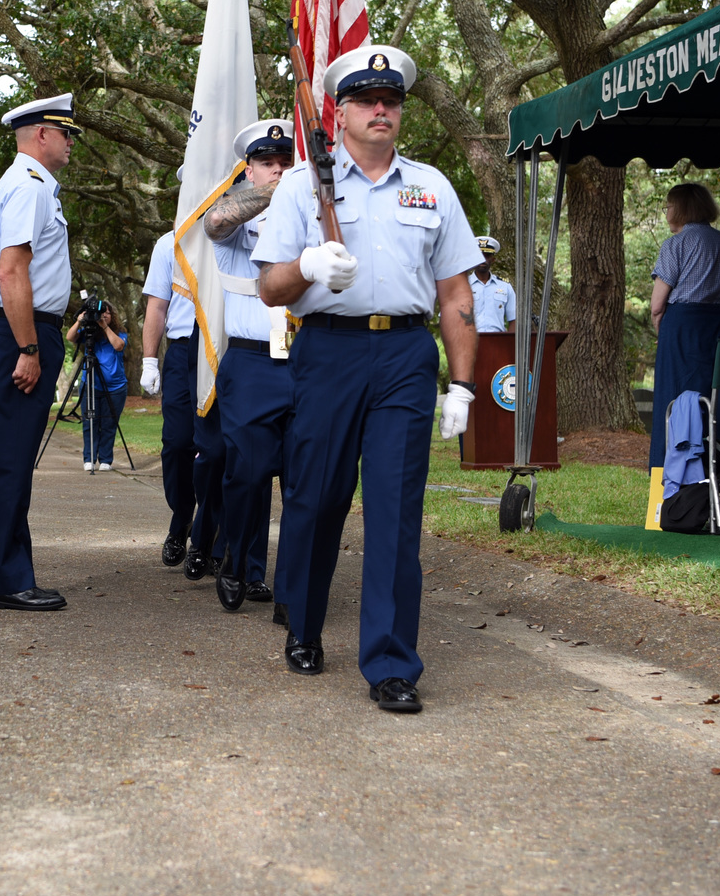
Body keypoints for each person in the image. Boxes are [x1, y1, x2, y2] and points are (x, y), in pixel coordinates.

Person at [255, 45, 481, 715]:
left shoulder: (432, 186)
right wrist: (309, 264)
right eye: (366, 99)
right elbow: (270, 285)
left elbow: (455, 291)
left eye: (391, 99)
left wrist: (462, 383)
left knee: (394, 509)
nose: (381, 109)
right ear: (341, 110)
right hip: (328, 352)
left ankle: (390, 663)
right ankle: (304, 621)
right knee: (318, 498)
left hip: (406, 355)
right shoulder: (301, 185)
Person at [0, 92, 80, 611]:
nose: (71, 144)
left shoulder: (31, 186)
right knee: (12, 462)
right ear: (42, 135)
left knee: (13, 460)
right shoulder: (30, 187)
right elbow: (11, 270)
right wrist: (29, 347)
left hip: (23, 332)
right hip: (20, 334)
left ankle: (11, 571)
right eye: (66, 134)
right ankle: (5, 579)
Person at [205, 119, 297, 617]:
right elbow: (214, 223)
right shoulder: (241, 215)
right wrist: (276, 193)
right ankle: (236, 561)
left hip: (308, 359)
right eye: (268, 163)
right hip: (253, 362)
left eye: (287, 163)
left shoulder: (313, 213)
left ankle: (292, 587)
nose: (279, 170)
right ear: (249, 168)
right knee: (249, 473)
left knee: (306, 478)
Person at [647, 182, 720, 469]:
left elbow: (657, 303)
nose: (665, 212)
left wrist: (662, 328)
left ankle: (673, 470)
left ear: (681, 209)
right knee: (718, 399)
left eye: (668, 206)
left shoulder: (676, 244)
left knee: (674, 399)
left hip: (683, 328)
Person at [139, 228, 198, 563]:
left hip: (227, 347)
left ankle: (210, 533)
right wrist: (150, 359)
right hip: (182, 349)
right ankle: (182, 517)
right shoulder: (169, 243)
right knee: (177, 443)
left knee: (219, 448)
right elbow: (157, 306)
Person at [65, 300, 127, 470]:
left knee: (109, 423)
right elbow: (70, 337)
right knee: (90, 421)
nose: (103, 315)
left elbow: (119, 346)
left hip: (115, 388)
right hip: (91, 385)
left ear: (111, 315)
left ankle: (106, 460)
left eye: (107, 312)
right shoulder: (88, 332)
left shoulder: (119, 333)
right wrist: (79, 321)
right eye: (101, 313)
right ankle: (89, 459)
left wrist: (105, 327)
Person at [469, 237, 516, 332]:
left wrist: (509, 345)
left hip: (497, 342)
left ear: (493, 259)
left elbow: (514, 320)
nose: (483, 260)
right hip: (469, 341)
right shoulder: (462, 286)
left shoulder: (505, 287)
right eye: (479, 255)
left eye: (487, 255)